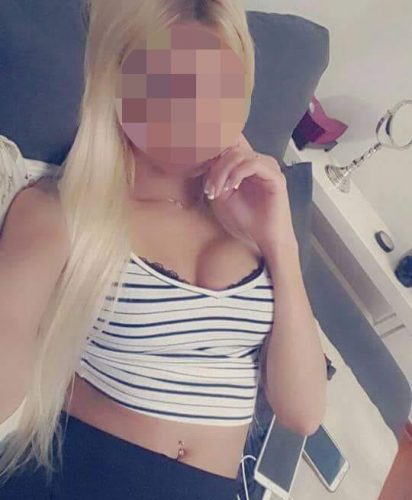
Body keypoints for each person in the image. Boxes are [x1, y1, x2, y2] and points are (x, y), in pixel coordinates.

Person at [0, 0, 327, 498]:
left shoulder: (256, 220)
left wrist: (279, 242)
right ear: (115, 85)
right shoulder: (63, 209)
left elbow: (302, 411)